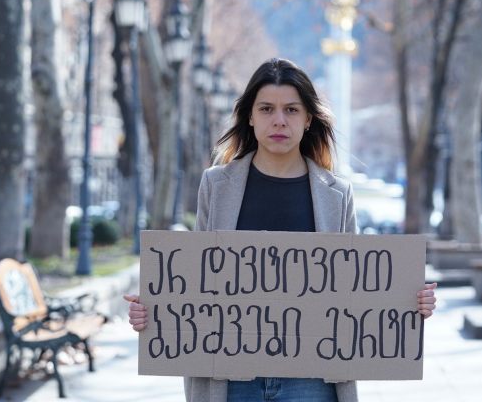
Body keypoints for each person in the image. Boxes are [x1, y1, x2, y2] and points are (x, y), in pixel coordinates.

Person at [124, 58, 438, 402]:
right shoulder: (216, 185)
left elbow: (354, 288)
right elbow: (197, 283)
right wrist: (156, 307)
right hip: (231, 377)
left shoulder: (337, 194)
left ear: (308, 119)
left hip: (312, 379)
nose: (279, 120)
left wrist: (406, 301)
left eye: (291, 109)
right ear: (250, 116)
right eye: (266, 109)